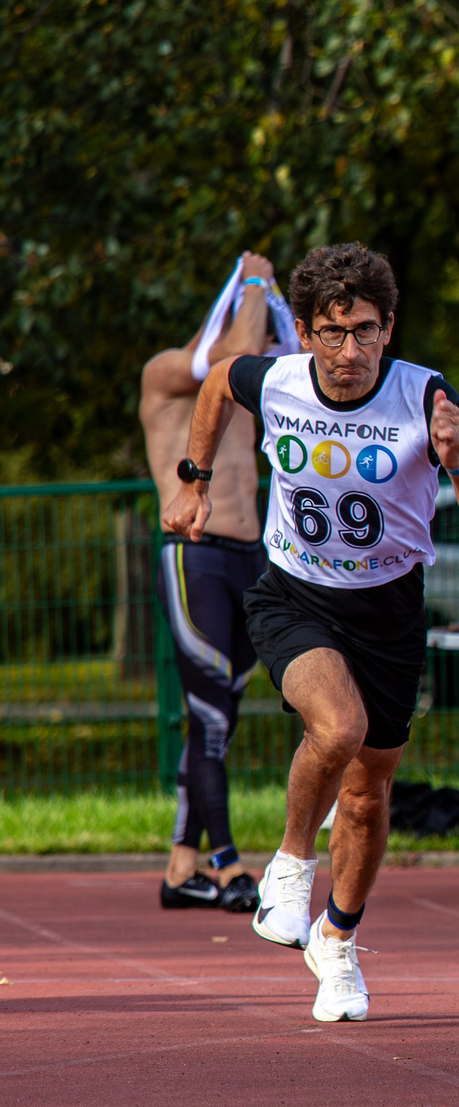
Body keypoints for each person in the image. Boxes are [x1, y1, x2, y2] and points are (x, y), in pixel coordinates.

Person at [164, 243, 459, 1022]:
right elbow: (219, 380)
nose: (348, 351)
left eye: (364, 330)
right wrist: (195, 478)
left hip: (387, 610)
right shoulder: (279, 379)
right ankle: (287, 866)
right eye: (330, 331)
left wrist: (458, 461)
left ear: (390, 328)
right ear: (307, 332)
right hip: (295, 594)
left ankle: (338, 939)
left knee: (369, 792)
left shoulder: (427, 397)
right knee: (338, 726)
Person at [138, 253, 292, 912]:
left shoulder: (256, 379)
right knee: (206, 718)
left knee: (219, 716)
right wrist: (256, 283)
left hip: (249, 558)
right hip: (194, 552)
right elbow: (228, 354)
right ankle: (227, 865)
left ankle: (181, 867)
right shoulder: (168, 371)